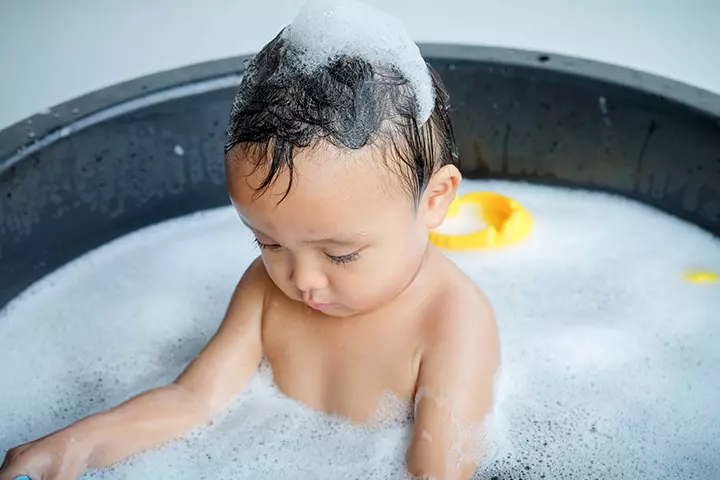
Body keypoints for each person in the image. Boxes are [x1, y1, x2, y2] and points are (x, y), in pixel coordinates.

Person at [0, 12, 500, 480]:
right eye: (267, 242)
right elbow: (193, 401)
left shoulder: (451, 325)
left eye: (340, 253)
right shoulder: (265, 291)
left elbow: (438, 472)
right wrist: (72, 446)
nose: (300, 279)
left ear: (435, 199)